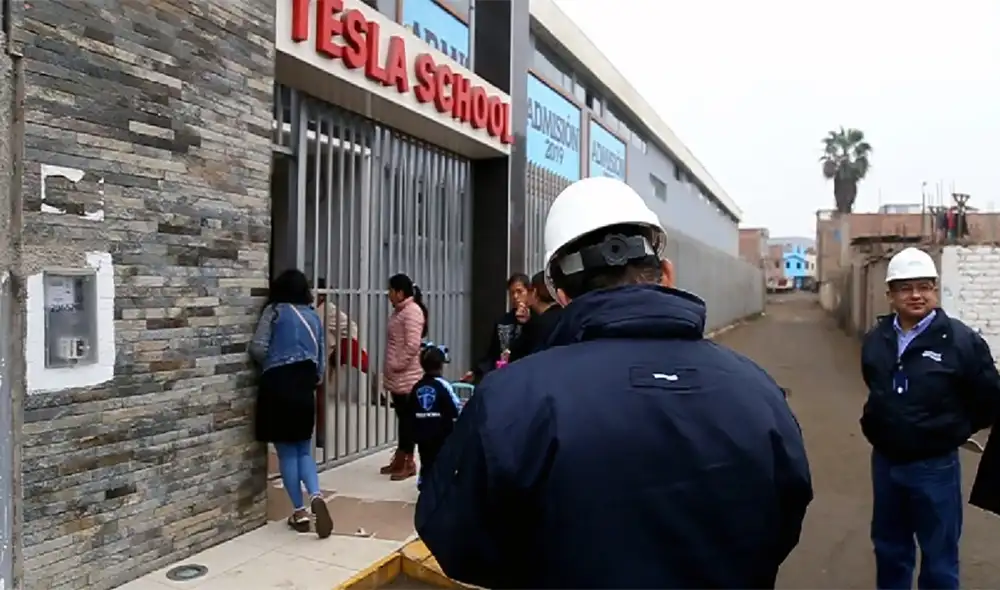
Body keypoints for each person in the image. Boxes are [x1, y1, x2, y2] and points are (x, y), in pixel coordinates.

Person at [415, 177, 812, 588]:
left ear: (561, 295)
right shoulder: (759, 393)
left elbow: (454, 537)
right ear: (666, 274)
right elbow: (784, 522)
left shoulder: (509, 400)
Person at [860, 246, 1000, 590]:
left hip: (935, 467)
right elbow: (875, 383)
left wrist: (951, 431)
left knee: (939, 558)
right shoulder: (877, 339)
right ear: (890, 294)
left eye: (924, 286)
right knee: (890, 550)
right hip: (887, 463)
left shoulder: (961, 341)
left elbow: (989, 398)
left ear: (935, 290)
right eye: (905, 288)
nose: (916, 295)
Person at [249, 269, 334, 538]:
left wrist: (275, 362)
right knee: (303, 450)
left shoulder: (274, 312)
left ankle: (299, 511)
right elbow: (321, 361)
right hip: (304, 388)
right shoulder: (313, 315)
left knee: (286, 453)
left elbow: (257, 347)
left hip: (277, 386)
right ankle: (316, 495)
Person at [380, 273, 428, 481]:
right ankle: (400, 458)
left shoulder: (412, 312)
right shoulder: (401, 311)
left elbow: (412, 345)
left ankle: (408, 462)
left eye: (391, 290)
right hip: (398, 377)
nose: (388, 294)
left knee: (408, 421)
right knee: (403, 420)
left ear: (400, 293)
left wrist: (396, 364)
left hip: (407, 377)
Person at [460, 273, 531, 382]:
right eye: (512, 293)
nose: (515, 297)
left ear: (529, 292)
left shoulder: (535, 320)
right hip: (505, 376)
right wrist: (476, 372)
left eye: (519, 291)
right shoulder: (503, 322)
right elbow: (492, 354)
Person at [411, 344, 461, 488]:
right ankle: (441, 483)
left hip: (421, 432)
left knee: (426, 458)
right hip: (441, 433)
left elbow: (410, 410)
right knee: (441, 458)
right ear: (441, 365)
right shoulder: (443, 385)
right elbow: (454, 408)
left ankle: (424, 480)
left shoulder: (417, 386)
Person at [509, 271, 563, 362]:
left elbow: (517, 357)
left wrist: (526, 325)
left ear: (534, 292)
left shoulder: (537, 325)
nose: (515, 297)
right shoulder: (565, 315)